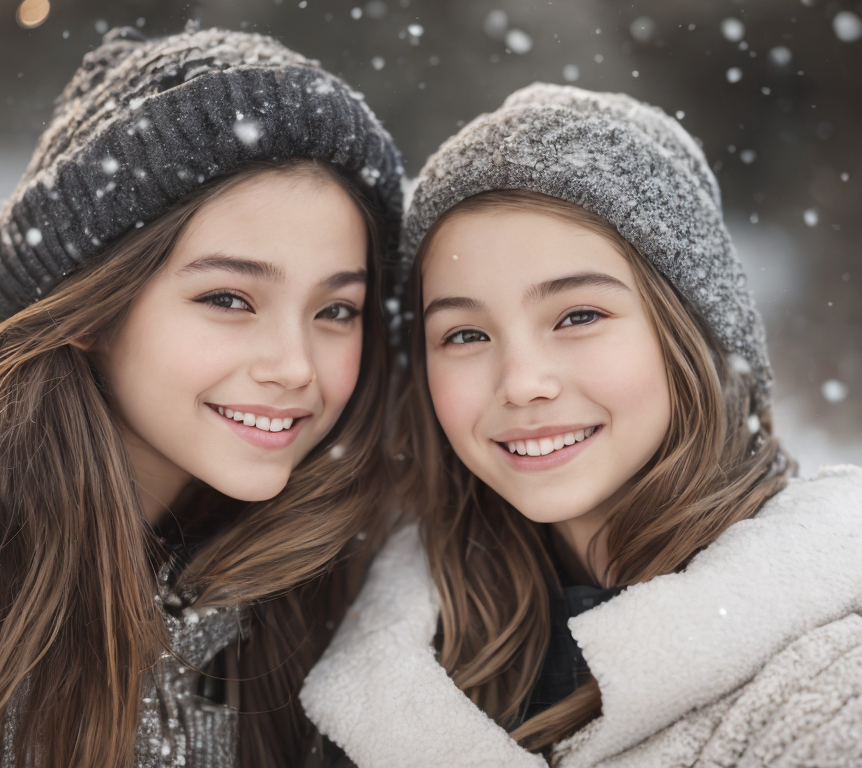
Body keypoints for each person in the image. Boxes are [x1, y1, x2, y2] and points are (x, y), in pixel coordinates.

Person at [0, 25, 402, 768]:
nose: (295, 366)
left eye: (336, 311)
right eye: (230, 298)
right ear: (93, 311)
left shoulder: (323, 589)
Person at [300, 84, 862, 767]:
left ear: (690, 330)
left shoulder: (832, 685)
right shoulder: (384, 652)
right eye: (467, 334)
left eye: (577, 317)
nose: (522, 383)